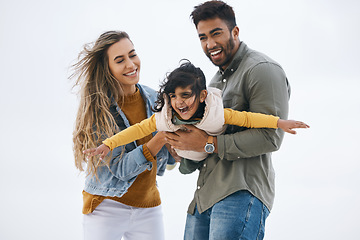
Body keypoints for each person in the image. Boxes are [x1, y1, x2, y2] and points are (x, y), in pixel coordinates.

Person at [163, 1, 300, 239]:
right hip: (202, 200)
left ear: (235, 32)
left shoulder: (262, 69)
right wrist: (181, 151)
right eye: (203, 37)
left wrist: (208, 144)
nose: (210, 44)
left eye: (216, 34)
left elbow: (271, 137)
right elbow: (200, 145)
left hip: (240, 194)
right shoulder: (211, 85)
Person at [84, 61, 308, 163]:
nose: (178, 102)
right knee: (162, 140)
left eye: (185, 95)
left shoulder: (217, 113)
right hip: (186, 156)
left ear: (201, 96)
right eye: (173, 97)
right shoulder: (164, 116)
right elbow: (136, 130)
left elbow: (248, 118)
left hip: (209, 150)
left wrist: (279, 123)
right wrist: (108, 144)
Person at [71, 30, 175, 240]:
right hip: (107, 206)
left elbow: (169, 156)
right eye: (120, 60)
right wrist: (160, 139)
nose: (131, 64)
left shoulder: (156, 99)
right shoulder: (100, 112)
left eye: (132, 54)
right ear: (107, 69)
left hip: (148, 206)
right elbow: (121, 169)